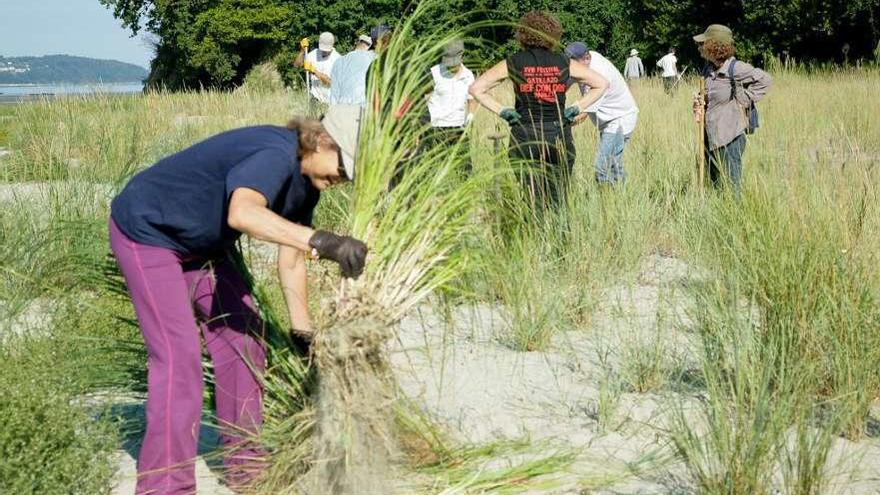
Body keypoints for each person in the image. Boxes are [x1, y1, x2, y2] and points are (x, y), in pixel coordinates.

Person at [109, 105, 367, 494]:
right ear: (320, 140)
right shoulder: (276, 155)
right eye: (342, 166)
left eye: (349, 175)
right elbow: (242, 214)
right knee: (179, 360)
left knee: (245, 340)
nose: (342, 178)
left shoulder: (307, 184)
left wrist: (303, 331)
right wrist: (323, 241)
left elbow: (292, 255)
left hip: (200, 246)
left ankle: (245, 468)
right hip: (148, 233)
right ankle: (165, 487)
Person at [469, 11, 609, 208]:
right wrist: (576, 108)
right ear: (553, 35)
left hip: (525, 134)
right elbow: (602, 84)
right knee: (558, 195)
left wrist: (502, 111)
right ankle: (559, 234)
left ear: (523, 35)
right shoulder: (563, 62)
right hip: (558, 133)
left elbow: (476, 89)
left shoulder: (513, 62)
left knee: (530, 195)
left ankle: (534, 232)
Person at [692, 24, 771, 195]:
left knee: (732, 186)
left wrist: (742, 100)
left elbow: (765, 80)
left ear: (714, 46)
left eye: (703, 44)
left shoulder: (736, 68)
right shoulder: (708, 68)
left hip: (730, 135)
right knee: (716, 184)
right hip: (711, 134)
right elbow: (710, 94)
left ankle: (735, 216)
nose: (700, 47)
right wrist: (700, 99)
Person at [566, 42, 639, 185]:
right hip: (609, 121)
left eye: (574, 63)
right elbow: (566, 83)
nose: (572, 67)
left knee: (602, 168)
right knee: (613, 165)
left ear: (586, 58)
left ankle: (609, 200)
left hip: (619, 120)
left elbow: (582, 114)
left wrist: (560, 121)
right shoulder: (586, 61)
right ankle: (622, 197)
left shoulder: (599, 74)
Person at [426, 39, 477, 146]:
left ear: (462, 57)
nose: (451, 67)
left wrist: (471, 115)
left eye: (454, 64)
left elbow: (471, 100)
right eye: (448, 64)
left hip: (459, 127)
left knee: (463, 162)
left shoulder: (468, 75)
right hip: (437, 127)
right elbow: (426, 97)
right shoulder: (434, 73)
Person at [294, 32, 341, 105]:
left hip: (330, 101)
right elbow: (297, 65)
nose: (324, 51)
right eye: (322, 49)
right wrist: (303, 51)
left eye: (326, 50)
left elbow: (331, 83)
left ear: (332, 45)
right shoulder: (314, 53)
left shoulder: (337, 59)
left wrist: (314, 71)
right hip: (314, 98)